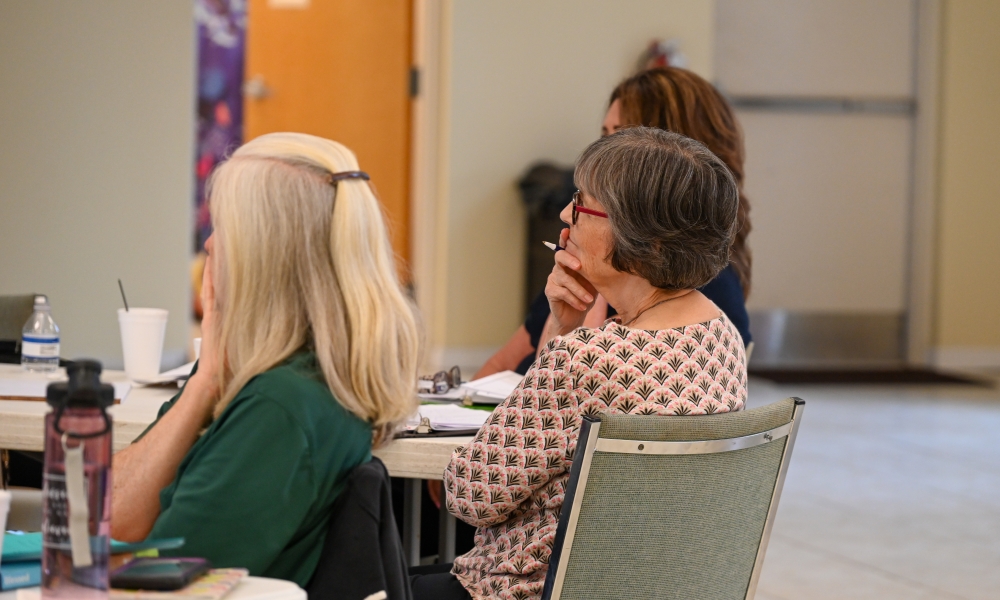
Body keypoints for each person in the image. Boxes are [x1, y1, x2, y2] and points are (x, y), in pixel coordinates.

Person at [411, 127, 748, 600]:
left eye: (583, 204)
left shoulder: (588, 360)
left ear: (645, 242)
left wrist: (561, 341)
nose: (567, 214)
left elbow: (469, 494)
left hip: (532, 587)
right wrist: (565, 328)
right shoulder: (720, 336)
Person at [110, 132, 422, 587]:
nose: (211, 246)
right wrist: (205, 383)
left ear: (265, 254)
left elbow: (150, 578)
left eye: (225, 228)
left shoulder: (280, 406)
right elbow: (115, 518)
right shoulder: (262, 371)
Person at [475, 66, 752, 379]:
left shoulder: (696, 308)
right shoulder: (584, 272)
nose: (605, 153)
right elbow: (501, 366)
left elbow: (563, 398)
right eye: (605, 136)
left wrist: (574, 338)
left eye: (622, 137)